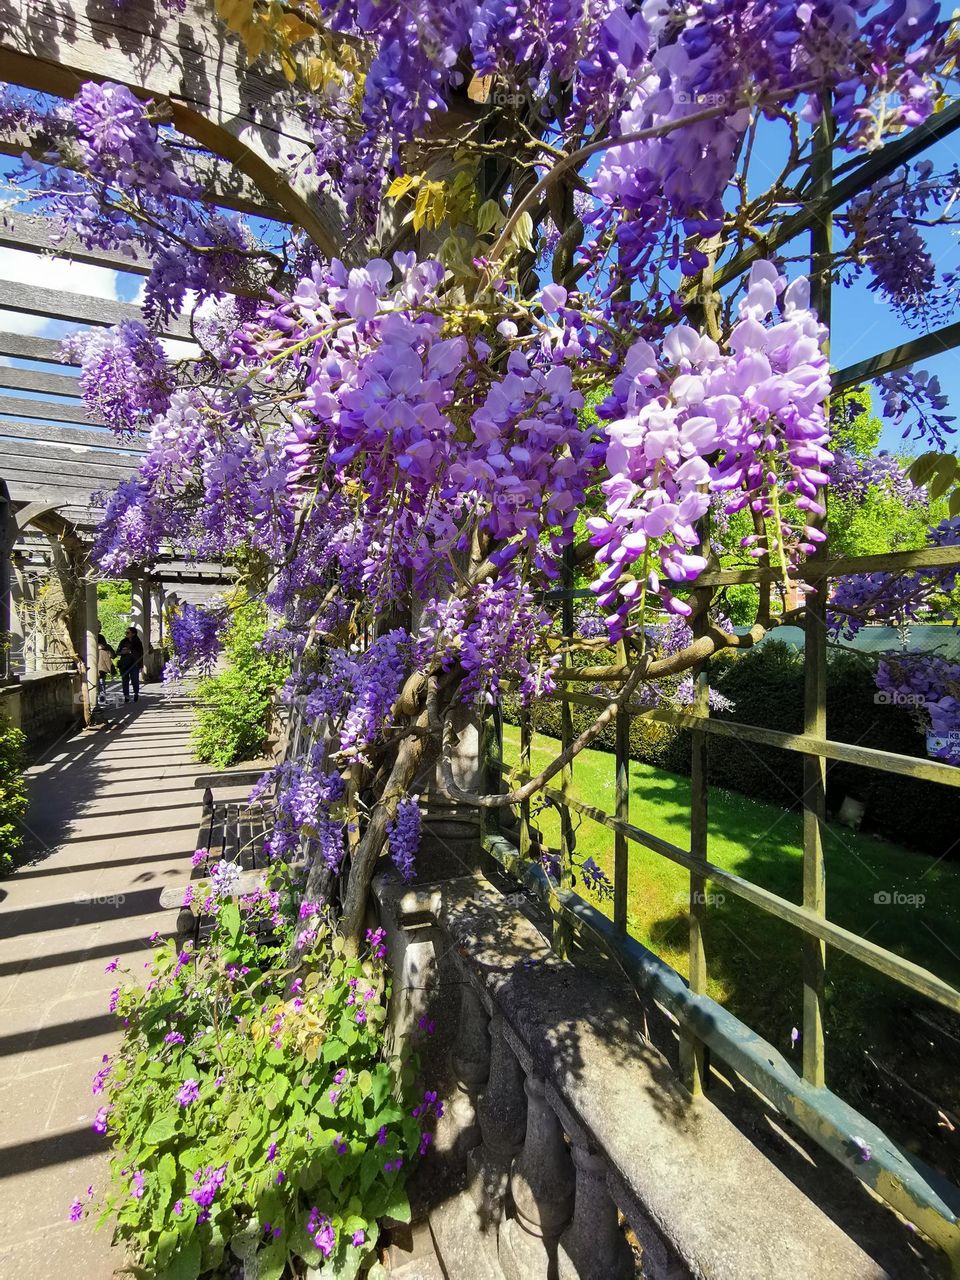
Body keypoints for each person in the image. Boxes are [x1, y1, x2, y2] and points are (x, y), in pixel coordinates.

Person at [116, 626, 144, 703]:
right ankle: (126, 696)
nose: (126, 634)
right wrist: (122, 651)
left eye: (128, 632)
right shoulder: (123, 641)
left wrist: (130, 652)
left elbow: (141, 653)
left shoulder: (137, 642)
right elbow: (117, 652)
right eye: (126, 632)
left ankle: (136, 693)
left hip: (134, 664)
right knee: (125, 680)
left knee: (135, 680)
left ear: (133, 634)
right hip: (124, 664)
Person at [96, 632, 115, 702]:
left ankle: (102, 699)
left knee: (101, 682)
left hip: (100, 667)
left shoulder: (103, 648)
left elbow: (112, 654)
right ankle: (102, 699)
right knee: (101, 682)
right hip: (101, 667)